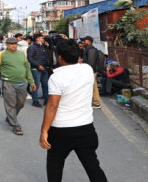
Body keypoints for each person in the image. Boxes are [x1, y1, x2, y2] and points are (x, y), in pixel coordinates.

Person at [39, 39, 107, 182]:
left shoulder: (56, 77)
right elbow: (79, 63)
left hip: (61, 130)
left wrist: (44, 131)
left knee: (55, 164)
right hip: (86, 128)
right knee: (92, 166)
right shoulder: (87, 69)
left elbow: (52, 106)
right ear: (78, 56)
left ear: (59, 57)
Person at [0, 37, 36, 136]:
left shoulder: (21, 54)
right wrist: (2, 73)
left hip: (22, 83)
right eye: (11, 44)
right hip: (8, 84)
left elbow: (27, 68)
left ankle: (10, 117)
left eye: (15, 43)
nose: (14, 45)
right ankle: (15, 125)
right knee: (11, 105)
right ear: (6, 45)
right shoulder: (1, 55)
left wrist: (31, 82)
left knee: (20, 103)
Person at [27, 34, 49, 107]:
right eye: (42, 38)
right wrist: (38, 65)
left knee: (45, 85)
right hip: (36, 69)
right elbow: (30, 58)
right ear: (37, 39)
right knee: (36, 85)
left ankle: (46, 100)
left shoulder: (42, 47)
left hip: (44, 68)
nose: (43, 40)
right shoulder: (32, 47)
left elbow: (45, 57)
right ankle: (35, 101)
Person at [81, 36, 102, 109]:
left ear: (89, 41)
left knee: (94, 87)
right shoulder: (88, 49)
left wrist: (87, 70)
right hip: (89, 70)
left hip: (91, 71)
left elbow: (91, 61)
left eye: (85, 41)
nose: (84, 42)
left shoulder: (91, 49)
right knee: (91, 86)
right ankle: (93, 102)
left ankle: (96, 103)